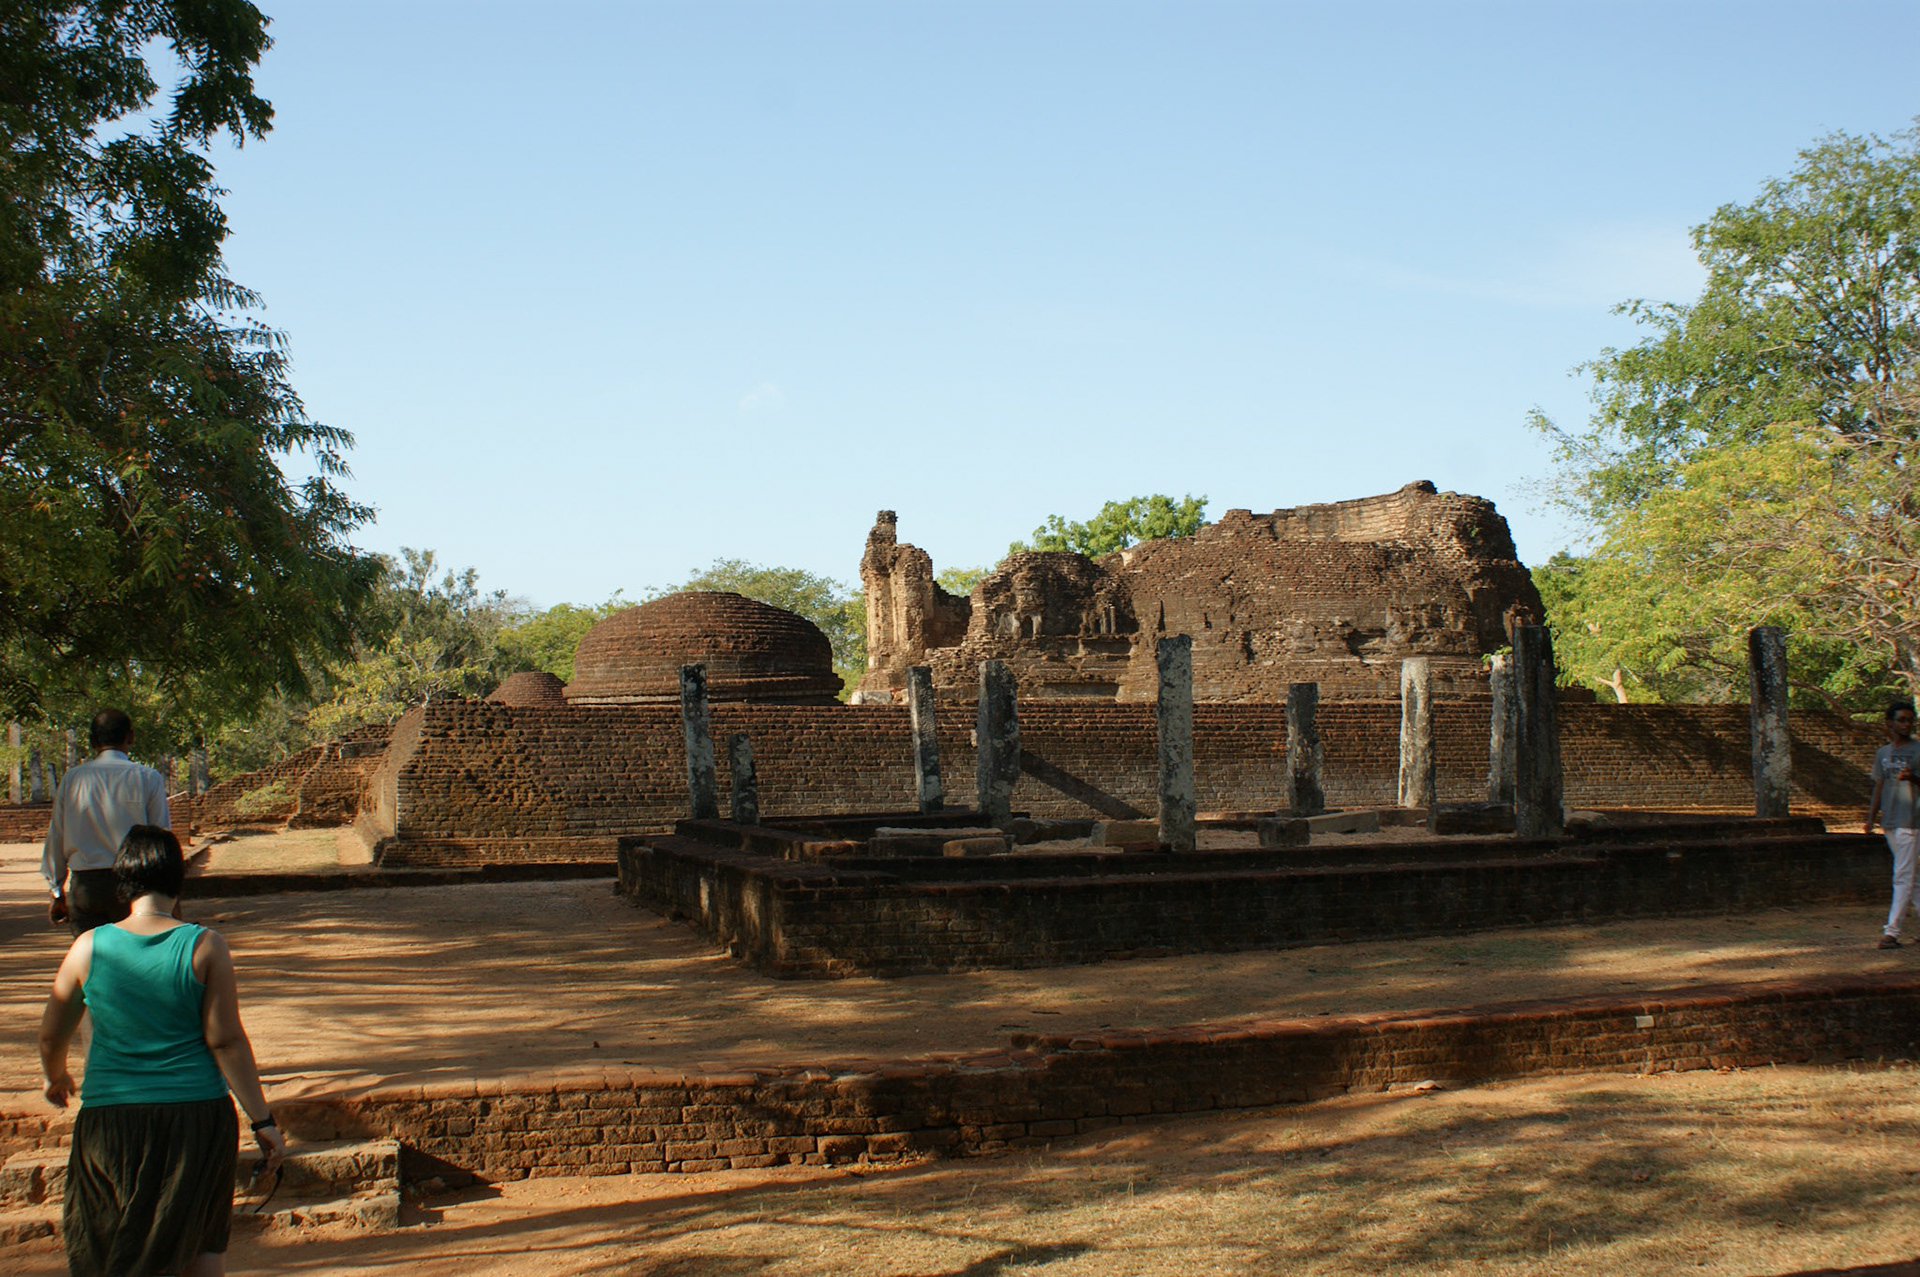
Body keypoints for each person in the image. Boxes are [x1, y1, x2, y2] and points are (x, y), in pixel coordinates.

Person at [38, 824, 286, 1277]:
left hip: (111, 1120)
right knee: (201, 1242)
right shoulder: (206, 946)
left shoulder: (88, 947)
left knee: (106, 1238)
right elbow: (225, 1040)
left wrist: (56, 1075)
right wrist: (262, 1120)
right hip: (196, 1118)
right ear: (178, 880)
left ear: (123, 880)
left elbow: (52, 1034)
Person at [42, 709, 171, 936]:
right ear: (130, 736)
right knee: (133, 959)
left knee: (91, 960)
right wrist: (167, 894)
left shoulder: (73, 779)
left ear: (92, 741)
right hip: (133, 884)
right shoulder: (147, 778)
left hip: (86, 886)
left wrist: (57, 891)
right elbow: (160, 839)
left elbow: (57, 835)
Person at [1865, 700, 1920, 949]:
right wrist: (1871, 817)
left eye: (1910, 720)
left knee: (1902, 876)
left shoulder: (1918, 751)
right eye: (1902, 720)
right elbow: (1880, 785)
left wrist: (1913, 778)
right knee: (1913, 877)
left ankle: (1892, 932)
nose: (1906, 724)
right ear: (1890, 723)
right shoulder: (1883, 753)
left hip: (1911, 820)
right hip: (1890, 821)